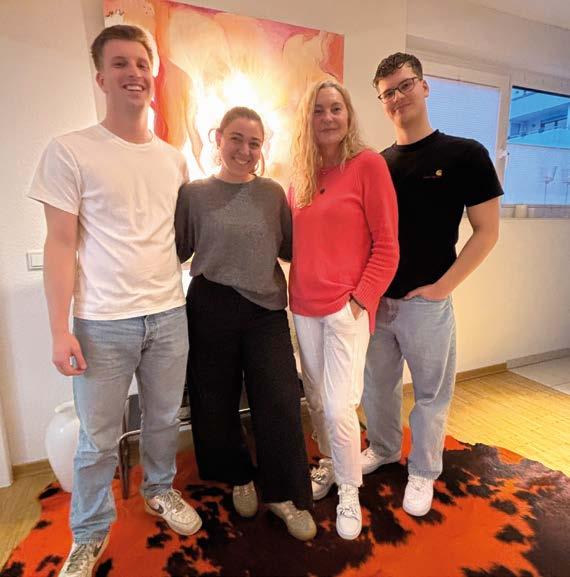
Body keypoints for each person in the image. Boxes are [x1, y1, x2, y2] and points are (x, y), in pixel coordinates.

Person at [29, 25, 201, 577]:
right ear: (101, 78)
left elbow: (176, 239)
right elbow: (59, 245)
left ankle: (159, 490)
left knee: (163, 420)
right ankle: (89, 532)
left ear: (154, 75)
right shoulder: (70, 150)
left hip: (169, 314)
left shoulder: (174, 160)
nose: (134, 73)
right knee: (97, 440)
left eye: (141, 64)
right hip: (102, 322)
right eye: (120, 63)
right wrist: (59, 329)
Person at [361, 52, 503, 517]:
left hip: (427, 303)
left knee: (429, 395)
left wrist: (443, 287)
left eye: (405, 86)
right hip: (379, 302)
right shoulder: (378, 164)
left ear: (424, 86)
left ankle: (423, 470)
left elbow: (487, 232)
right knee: (377, 387)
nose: (397, 97)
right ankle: (383, 449)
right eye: (388, 93)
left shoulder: (465, 154)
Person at [174, 106, 316, 541]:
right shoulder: (193, 194)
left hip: (265, 310)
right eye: (236, 138)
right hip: (210, 304)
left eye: (254, 143)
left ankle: (284, 494)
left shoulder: (272, 193)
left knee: (280, 399)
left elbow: (292, 249)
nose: (245, 149)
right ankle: (238, 476)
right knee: (214, 401)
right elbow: (177, 250)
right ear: (218, 139)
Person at [288, 79, 399, 540]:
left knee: (339, 406)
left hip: (346, 310)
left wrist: (359, 301)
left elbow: (388, 247)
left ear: (348, 114)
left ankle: (350, 489)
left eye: (336, 108)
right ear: (307, 119)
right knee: (316, 400)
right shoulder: (301, 176)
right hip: (303, 307)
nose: (328, 117)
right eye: (318, 110)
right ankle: (333, 464)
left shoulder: (368, 165)